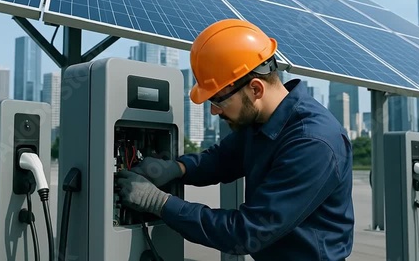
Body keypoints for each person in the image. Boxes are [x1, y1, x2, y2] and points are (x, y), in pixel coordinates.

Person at [116, 18, 354, 260]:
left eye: (218, 100)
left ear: (256, 89)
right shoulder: (261, 122)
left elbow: (246, 233)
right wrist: (178, 168)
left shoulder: (312, 143)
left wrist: (159, 202)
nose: (214, 111)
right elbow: (222, 159)